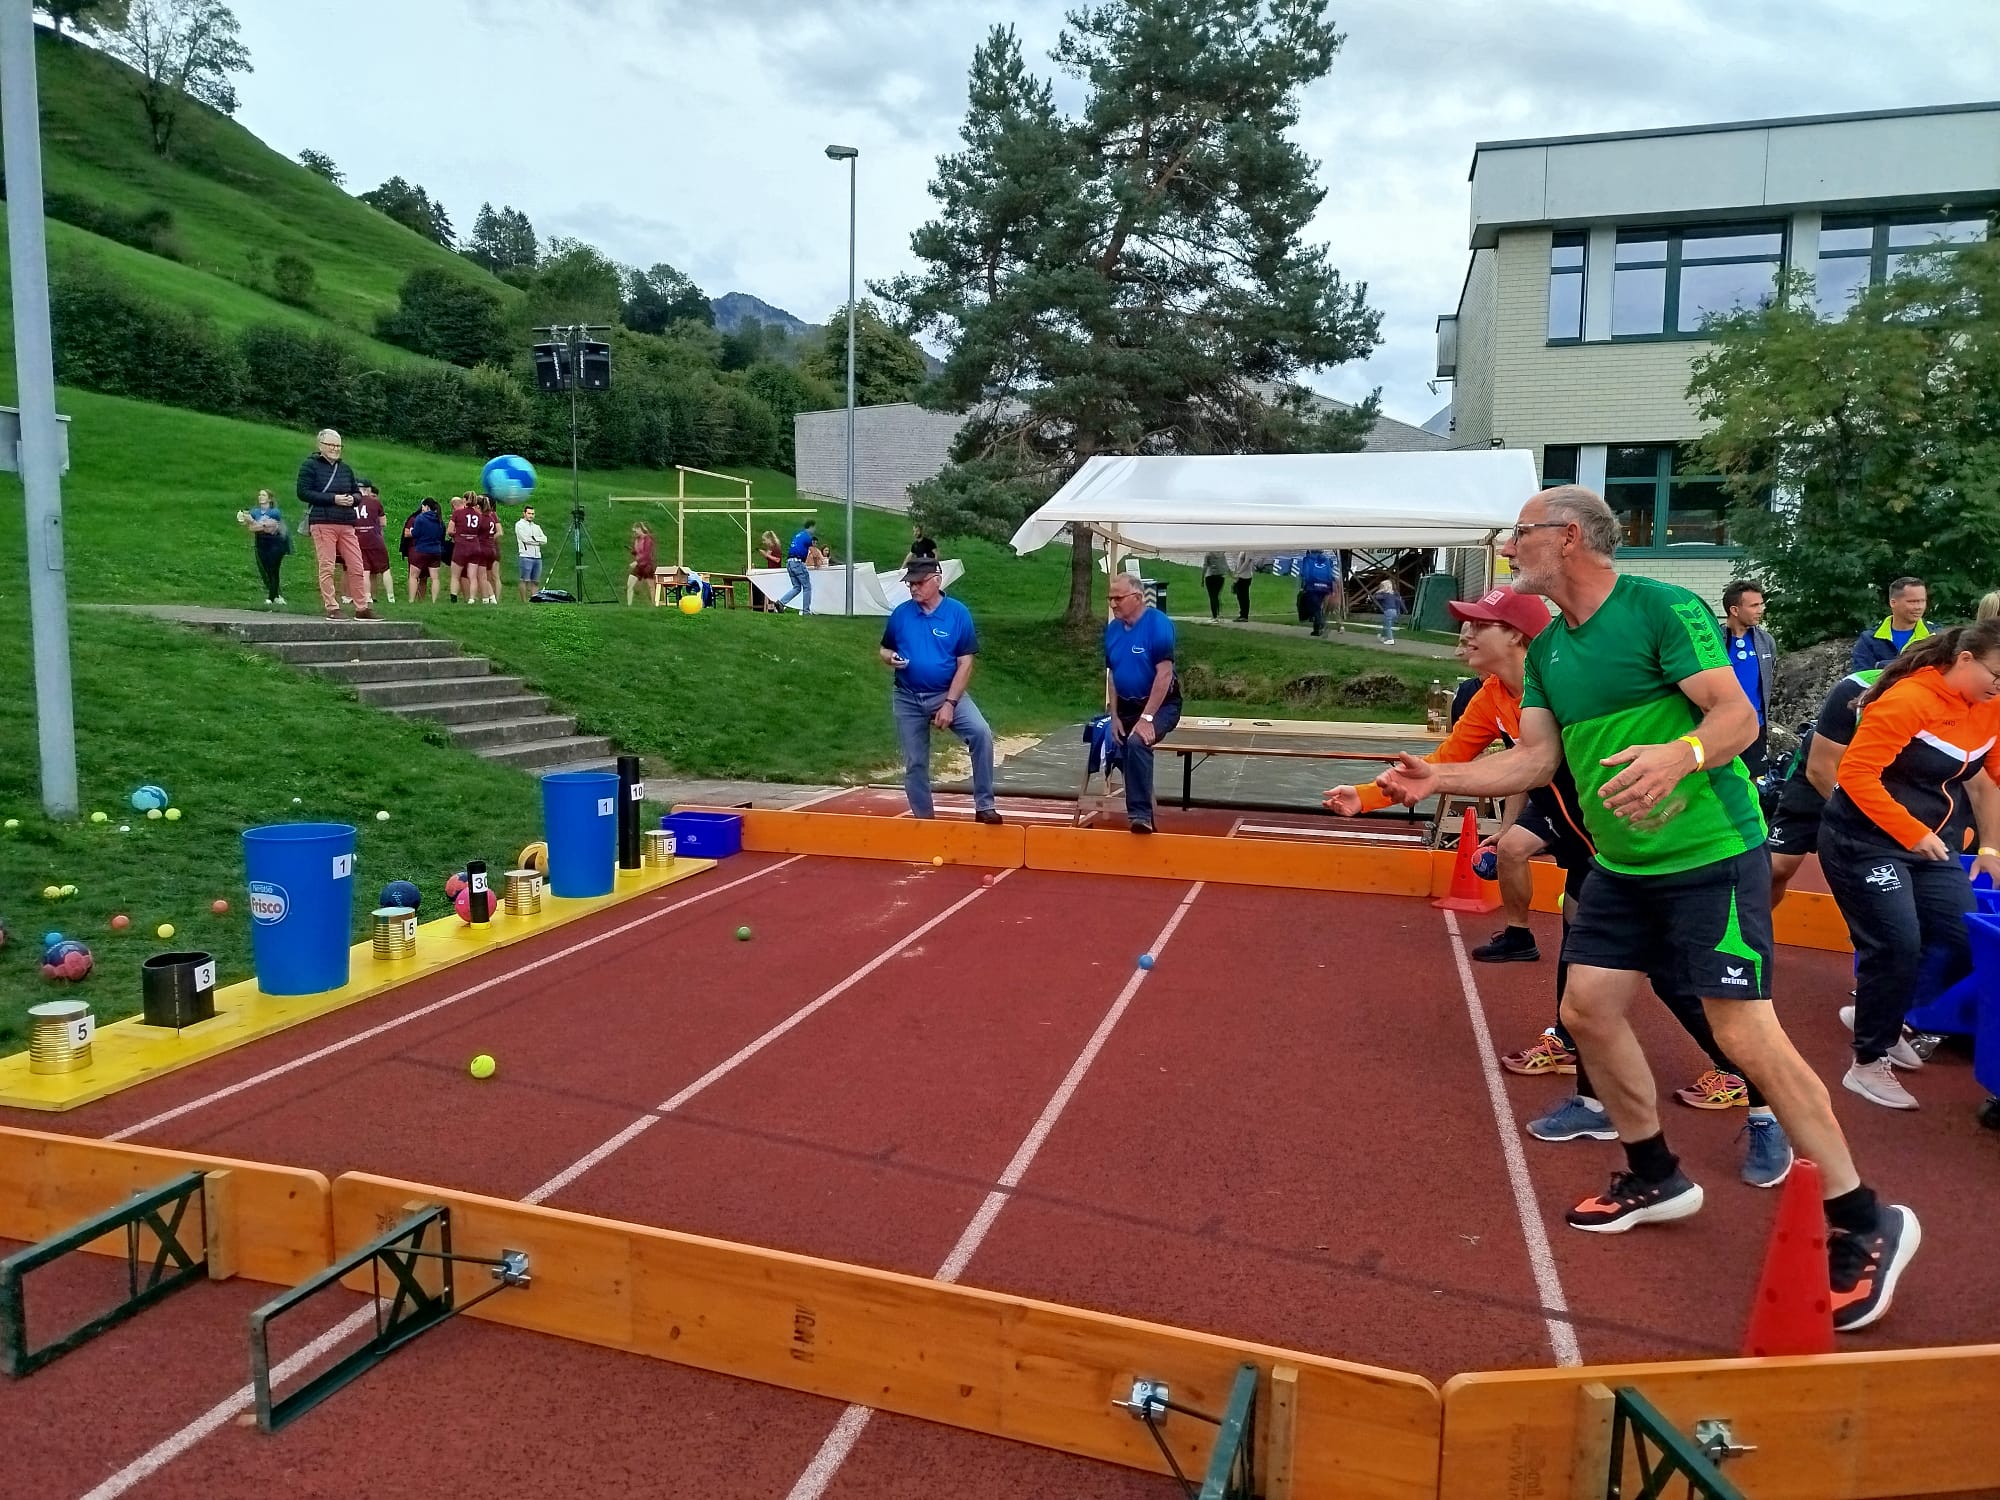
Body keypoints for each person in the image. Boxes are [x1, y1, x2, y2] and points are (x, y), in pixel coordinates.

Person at [1375, 485, 1915, 1332]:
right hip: (1623, 865)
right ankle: (1655, 1174)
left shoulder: (1661, 608)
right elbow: (1534, 761)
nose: (1509, 546)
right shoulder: (1551, 652)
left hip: (1711, 855)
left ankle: (1864, 1217)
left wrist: (1681, 754)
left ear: (1568, 537)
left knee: (1743, 1034)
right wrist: (1437, 776)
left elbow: (1737, 717)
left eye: (1520, 533)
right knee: (1587, 1009)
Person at [1337, 587, 1782, 1182]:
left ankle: (1763, 1107)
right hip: (1589, 847)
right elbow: (1454, 759)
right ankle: (1595, 1103)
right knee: (1581, 975)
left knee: (1682, 986)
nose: (1465, 635)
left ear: (1518, 636)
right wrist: (1367, 796)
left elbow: (1686, 730)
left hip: (1646, 846)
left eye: (1480, 625)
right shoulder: (1490, 696)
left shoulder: (1578, 682)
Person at [1820, 621, 2000, 1111]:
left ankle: (1880, 1011)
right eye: (1997, 675)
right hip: (1864, 841)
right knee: (1896, 942)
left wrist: (1991, 848)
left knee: (1965, 935)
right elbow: (1855, 773)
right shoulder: (1909, 700)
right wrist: (1912, 832)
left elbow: (1994, 775)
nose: (1998, 687)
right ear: (1966, 659)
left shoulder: (1989, 707)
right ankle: (1866, 1062)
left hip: (1930, 845)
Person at [879, 559, 1001, 824]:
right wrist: (890, 658)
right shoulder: (901, 614)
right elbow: (884, 649)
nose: (913, 588)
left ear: (937, 580)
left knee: (981, 733)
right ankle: (925, 820)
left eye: (919, 582)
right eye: (910, 583)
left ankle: (984, 806)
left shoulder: (957, 614)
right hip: (907, 696)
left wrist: (950, 703)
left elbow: (965, 663)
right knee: (915, 761)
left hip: (946, 692)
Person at [1103, 572, 1179, 834]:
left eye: (1118, 598)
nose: (1113, 604)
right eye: (1110, 598)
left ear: (1137, 597)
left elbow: (1164, 674)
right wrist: (1114, 715)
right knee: (1120, 744)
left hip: (1162, 704)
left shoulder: (1158, 624)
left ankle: (1140, 816)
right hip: (1126, 705)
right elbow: (1113, 675)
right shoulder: (1112, 630)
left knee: (1138, 741)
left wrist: (1147, 718)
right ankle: (1145, 820)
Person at [294, 428, 375, 621]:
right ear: (320, 445)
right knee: (327, 566)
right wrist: (334, 499)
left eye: (338, 446)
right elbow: (303, 492)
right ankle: (332, 607)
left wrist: (353, 499)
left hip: (346, 523)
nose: (335, 449)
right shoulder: (309, 466)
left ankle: (362, 608)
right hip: (323, 522)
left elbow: (357, 493)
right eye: (331, 445)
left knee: (356, 565)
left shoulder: (345, 469)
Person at [1721, 580, 1774, 780]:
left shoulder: (1766, 641)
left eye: (1761, 604)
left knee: (1753, 780)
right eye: (1754, 605)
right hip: (1721, 727)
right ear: (1734, 610)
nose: (1761, 610)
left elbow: (1769, 675)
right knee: (1722, 780)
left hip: (1754, 726)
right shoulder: (1716, 640)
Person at [1852, 577, 1929, 669]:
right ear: (1893, 603)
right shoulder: (1869, 640)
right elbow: (1862, 675)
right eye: (1912, 602)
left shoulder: (1935, 637)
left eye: (1922, 601)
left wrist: (1881, 665)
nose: (1919, 607)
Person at [237, 489, 289, 608]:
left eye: (264, 495)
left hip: (275, 542)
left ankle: (271, 597)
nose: (261, 497)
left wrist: (253, 522)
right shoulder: (255, 511)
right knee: (265, 569)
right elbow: (252, 528)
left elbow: (268, 528)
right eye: (260, 495)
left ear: (269, 498)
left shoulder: (274, 512)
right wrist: (245, 520)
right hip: (261, 542)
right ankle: (276, 595)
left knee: (273, 569)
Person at [352, 483, 396, 605]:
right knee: (385, 568)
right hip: (374, 539)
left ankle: (367, 597)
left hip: (358, 539)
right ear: (368, 490)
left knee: (365, 570)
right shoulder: (375, 502)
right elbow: (383, 523)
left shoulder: (352, 502)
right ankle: (391, 597)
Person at [405, 499, 445, 603]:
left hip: (421, 550)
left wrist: (412, 531)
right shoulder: (440, 519)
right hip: (436, 551)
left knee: (413, 576)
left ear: (426, 506)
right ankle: (434, 601)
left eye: (423, 506)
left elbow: (415, 534)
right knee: (435, 578)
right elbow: (442, 536)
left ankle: (411, 600)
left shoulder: (420, 518)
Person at [777, 519, 816, 614]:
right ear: (811, 527)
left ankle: (781, 602)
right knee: (807, 587)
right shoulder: (807, 537)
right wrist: (817, 562)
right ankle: (806, 611)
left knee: (797, 587)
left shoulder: (798, 535)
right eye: (814, 527)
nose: (815, 530)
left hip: (789, 563)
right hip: (798, 563)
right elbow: (814, 552)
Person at [1299, 549, 1338, 637]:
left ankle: (1319, 626)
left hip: (1313, 586)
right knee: (1318, 606)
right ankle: (1319, 625)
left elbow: (1306, 573)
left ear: (1310, 551)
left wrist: (1304, 586)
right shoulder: (1327, 560)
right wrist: (1331, 588)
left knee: (1314, 607)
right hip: (1325, 587)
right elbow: (1330, 574)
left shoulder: (1308, 559)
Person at [514, 505, 548, 602]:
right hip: (526, 555)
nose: (531, 516)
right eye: (529, 513)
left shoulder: (536, 527)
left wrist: (534, 539)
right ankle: (524, 601)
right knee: (524, 580)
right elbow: (525, 539)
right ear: (524, 513)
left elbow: (544, 539)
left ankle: (534, 600)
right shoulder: (520, 525)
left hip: (537, 557)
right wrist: (538, 541)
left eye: (532, 514)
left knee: (535, 581)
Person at [626, 522, 657, 606]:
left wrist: (636, 561)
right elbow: (638, 552)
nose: (634, 533)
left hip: (647, 565)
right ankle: (629, 606)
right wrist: (633, 551)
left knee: (651, 586)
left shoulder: (647, 539)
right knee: (630, 584)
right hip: (639, 566)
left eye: (635, 531)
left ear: (639, 529)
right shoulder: (637, 540)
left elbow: (646, 554)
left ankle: (653, 604)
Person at [756, 530, 785, 611]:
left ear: (769, 539)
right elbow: (769, 557)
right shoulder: (770, 548)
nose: (764, 542)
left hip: (775, 572)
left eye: (764, 540)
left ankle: (777, 606)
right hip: (770, 571)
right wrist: (765, 554)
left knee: (774, 590)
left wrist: (766, 555)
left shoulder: (776, 548)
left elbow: (777, 560)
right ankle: (770, 606)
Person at [1373, 577, 1403, 643]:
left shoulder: (1384, 595)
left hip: (1388, 611)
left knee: (1387, 626)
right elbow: (1398, 602)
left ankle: (1390, 639)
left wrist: (1378, 592)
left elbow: (1376, 597)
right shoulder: (1393, 595)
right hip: (1394, 611)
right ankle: (1383, 636)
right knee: (1386, 624)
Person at [1202, 553, 1226, 621]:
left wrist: (1202, 578)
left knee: (1212, 597)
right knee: (1217, 596)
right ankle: (1219, 614)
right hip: (1220, 577)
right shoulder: (1221, 555)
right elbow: (1225, 565)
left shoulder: (1208, 554)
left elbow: (1205, 566)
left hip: (1210, 576)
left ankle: (1214, 616)